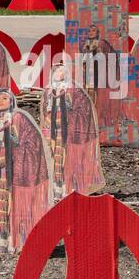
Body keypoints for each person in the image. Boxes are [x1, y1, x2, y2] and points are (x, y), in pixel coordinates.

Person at [0, 87, 52, 256]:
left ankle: (17, 240)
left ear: (12, 101)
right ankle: (1, 239)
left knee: (14, 203)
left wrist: (15, 146)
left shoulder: (19, 118)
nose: (1, 102)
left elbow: (32, 141)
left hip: (13, 167)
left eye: (5, 98)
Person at [41, 60, 105, 199]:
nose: (59, 73)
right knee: (53, 159)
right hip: (51, 131)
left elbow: (84, 110)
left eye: (62, 71)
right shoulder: (48, 91)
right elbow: (45, 111)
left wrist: (69, 115)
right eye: (56, 70)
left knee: (68, 160)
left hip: (68, 133)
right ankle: (56, 187)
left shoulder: (75, 90)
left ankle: (70, 186)